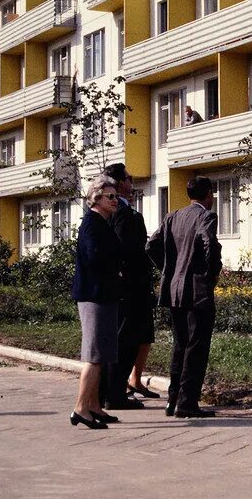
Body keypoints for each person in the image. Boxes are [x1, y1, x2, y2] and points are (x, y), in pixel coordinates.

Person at [147, 176, 220, 418]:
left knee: (180, 345)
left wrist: (170, 268)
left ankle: (173, 400)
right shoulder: (206, 216)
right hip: (197, 292)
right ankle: (187, 403)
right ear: (208, 194)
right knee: (196, 347)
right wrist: (210, 273)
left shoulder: (173, 216)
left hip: (174, 290)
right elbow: (209, 242)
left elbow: (151, 246)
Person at [100, 163, 158, 410]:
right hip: (131, 287)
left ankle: (116, 391)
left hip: (129, 285)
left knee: (129, 338)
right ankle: (115, 394)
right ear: (119, 183)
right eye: (129, 178)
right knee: (126, 340)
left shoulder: (117, 212)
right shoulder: (122, 214)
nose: (132, 183)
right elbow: (126, 251)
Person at [70, 174, 125, 429]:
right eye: (110, 197)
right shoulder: (93, 223)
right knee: (93, 354)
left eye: (116, 196)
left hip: (103, 293)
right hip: (95, 294)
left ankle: (93, 405)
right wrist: (116, 269)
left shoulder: (102, 221)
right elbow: (95, 258)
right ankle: (81, 407)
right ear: (96, 197)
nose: (116, 200)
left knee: (101, 353)